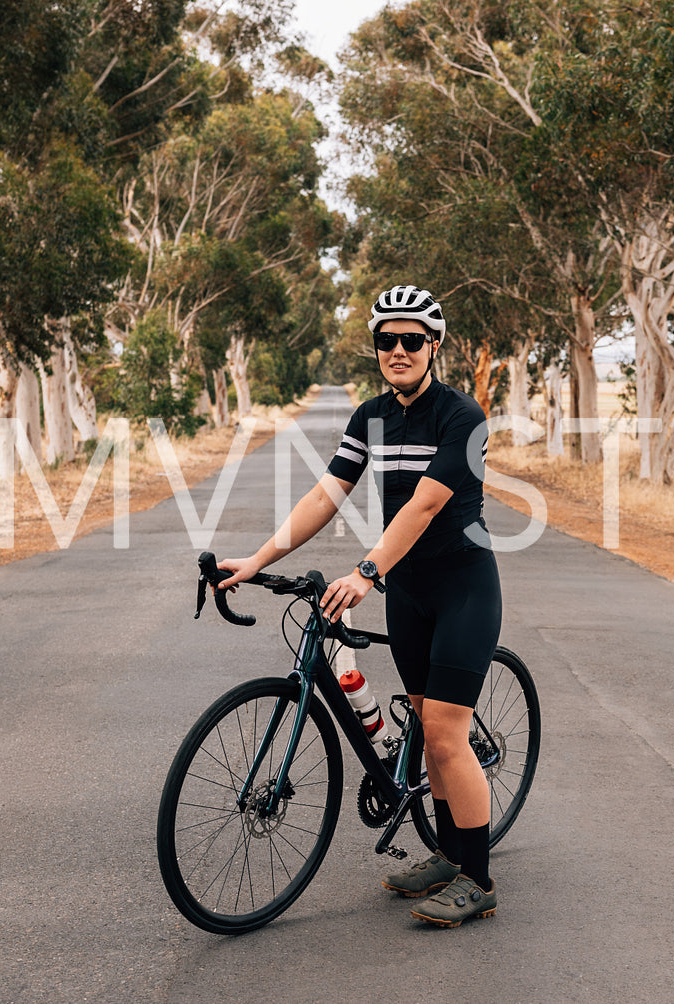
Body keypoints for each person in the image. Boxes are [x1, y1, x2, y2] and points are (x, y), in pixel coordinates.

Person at [216, 284, 502, 928]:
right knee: (426, 726)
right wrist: (259, 560)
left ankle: (477, 879)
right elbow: (327, 494)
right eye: (386, 340)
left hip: (462, 588)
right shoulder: (369, 416)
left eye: (411, 339)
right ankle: (450, 856)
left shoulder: (462, 416)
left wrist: (368, 570)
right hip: (409, 594)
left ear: (434, 346)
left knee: (449, 735)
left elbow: (426, 504)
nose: (397, 350)